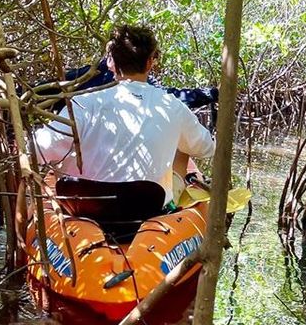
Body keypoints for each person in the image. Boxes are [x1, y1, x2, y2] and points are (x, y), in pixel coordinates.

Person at [33, 24, 215, 208]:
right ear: (150, 62)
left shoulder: (81, 104)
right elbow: (206, 148)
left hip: (86, 212)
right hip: (149, 211)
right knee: (184, 146)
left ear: (110, 62)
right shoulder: (173, 106)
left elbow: (37, 151)